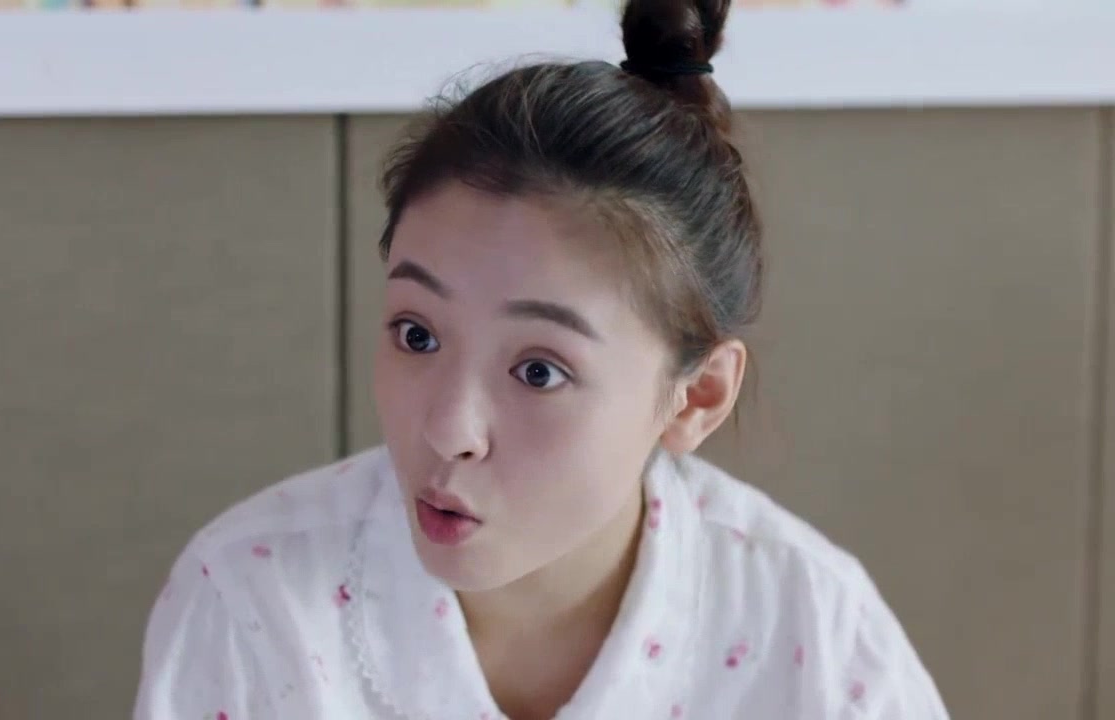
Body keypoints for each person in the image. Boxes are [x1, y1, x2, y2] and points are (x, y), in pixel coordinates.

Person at [133, 0, 950, 717]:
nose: (448, 429)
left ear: (695, 396)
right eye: (417, 335)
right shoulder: (250, 601)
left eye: (538, 372)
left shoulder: (813, 636)